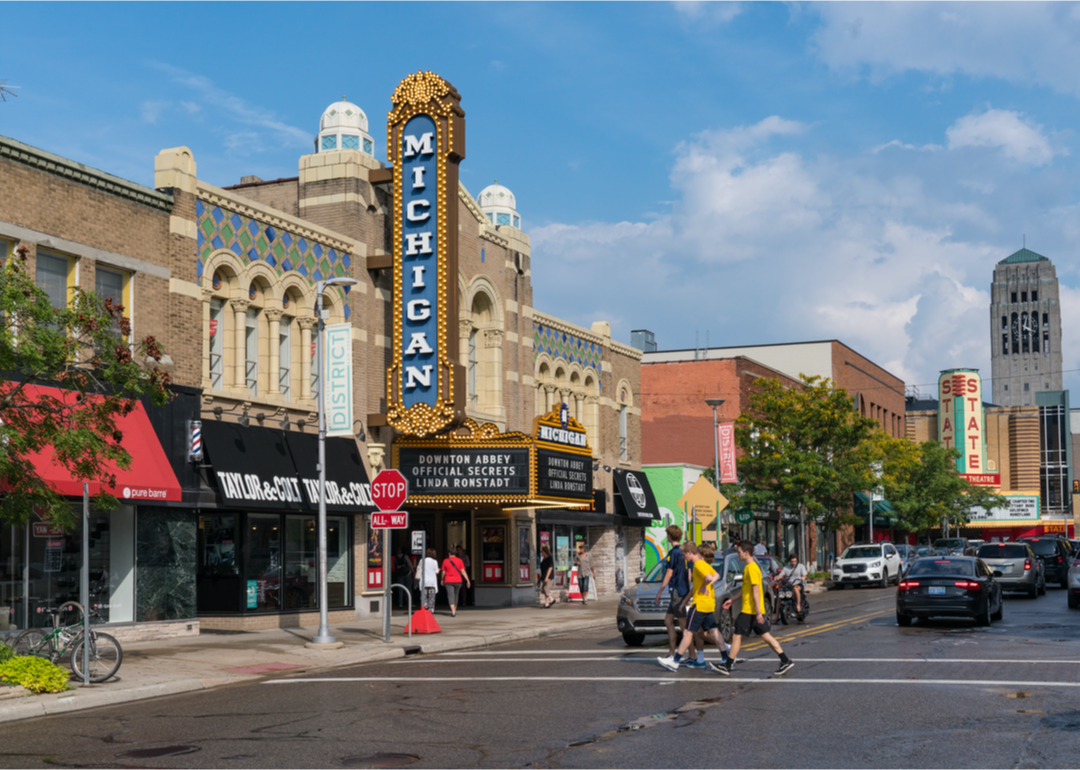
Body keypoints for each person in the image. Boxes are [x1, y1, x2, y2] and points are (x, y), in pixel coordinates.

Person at [711, 539, 793, 677]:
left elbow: (756, 591)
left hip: (751, 611)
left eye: (739, 552)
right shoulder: (749, 568)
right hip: (752, 610)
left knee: (737, 636)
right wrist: (732, 599)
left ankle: (728, 665)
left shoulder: (752, 568)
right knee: (766, 636)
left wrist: (759, 613)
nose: (738, 555)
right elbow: (745, 589)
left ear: (746, 552)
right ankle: (785, 660)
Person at [657, 542, 731, 671]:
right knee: (714, 631)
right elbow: (716, 575)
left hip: (699, 605)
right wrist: (687, 599)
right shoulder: (705, 564)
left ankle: (674, 661)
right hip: (708, 604)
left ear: (690, 553)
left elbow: (708, 578)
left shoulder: (698, 565)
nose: (684, 557)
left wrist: (704, 586)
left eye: (684, 554)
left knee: (687, 632)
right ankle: (726, 659)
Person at [654, 525, 691, 658]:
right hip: (682, 590)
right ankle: (671, 652)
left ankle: (692, 655)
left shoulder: (673, 553)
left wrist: (660, 591)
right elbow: (689, 573)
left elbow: (669, 573)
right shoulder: (684, 551)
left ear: (670, 536)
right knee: (668, 621)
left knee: (684, 627)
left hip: (676, 591)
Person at [440, 548, 471, 617]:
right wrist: (468, 580)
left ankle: (453, 611)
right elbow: (463, 571)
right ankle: (454, 610)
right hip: (458, 581)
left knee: (451, 595)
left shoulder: (445, 561)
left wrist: (442, 579)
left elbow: (443, 572)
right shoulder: (460, 560)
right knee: (456, 595)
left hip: (448, 580)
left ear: (449, 553)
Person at [416, 547, 440, 613]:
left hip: (424, 582)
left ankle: (425, 606)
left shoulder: (422, 560)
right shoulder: (435, 562)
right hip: (432, 582)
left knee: (424, 596)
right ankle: (431, 610)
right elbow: (436, 572)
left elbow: (418, 569)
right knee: (431, 598)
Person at [537, 544, 555, 608]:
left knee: (546, 589)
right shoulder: (543, 559)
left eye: (542, 552)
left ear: (545, 552)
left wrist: (547, 577)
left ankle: (547, 603)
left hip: (549, 577)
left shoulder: (549, 558)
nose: (541, 553)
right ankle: (551, 600)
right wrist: (542, 576)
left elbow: (550, 568)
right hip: (543, 576)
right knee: (542, 589)